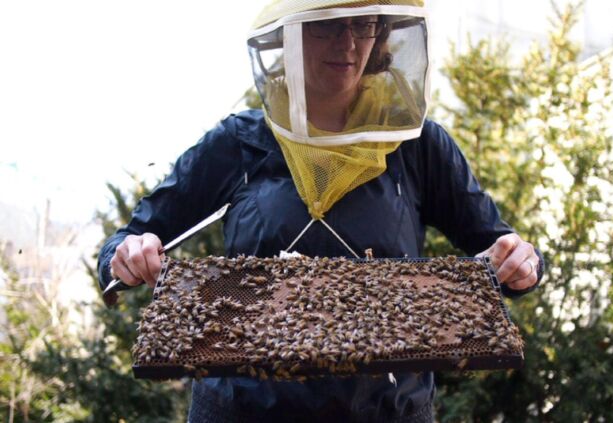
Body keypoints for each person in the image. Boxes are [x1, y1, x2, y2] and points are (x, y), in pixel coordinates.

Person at [98, 1, 544, 421]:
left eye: (362, 23)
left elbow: (501, 250)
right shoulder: (238, 143)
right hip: (244, 412)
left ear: (382, 33)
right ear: (292, 32)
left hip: (388, 412)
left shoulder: (418, 145)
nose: (347, 42)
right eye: (327, 23)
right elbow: (127, 243)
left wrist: (520, 262)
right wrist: (131, 253)